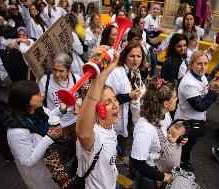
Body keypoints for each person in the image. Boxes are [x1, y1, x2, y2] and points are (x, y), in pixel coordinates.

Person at [4, 80, 68, 189]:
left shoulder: (37, 110)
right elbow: (27, 160)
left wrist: (61, 109)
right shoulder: (16, 132)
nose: (42, 95)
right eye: (37, 94)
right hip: (41, 177)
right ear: (26, 102)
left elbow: (50, 117)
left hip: (55, 163)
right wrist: (49, 137)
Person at [76, 45, 120, 189]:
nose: (115, 105)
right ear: (95, 109)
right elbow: (83, 134)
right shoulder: (95, 134)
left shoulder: (109, 126)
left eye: (115, 99)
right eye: (107, 102)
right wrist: (98, 79)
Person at [174, 51, 219, 170]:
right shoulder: (189, 83)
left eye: (205, 63)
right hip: (186, 122)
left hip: (197, 120)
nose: (203, 66)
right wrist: (214, 91)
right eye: (199, 63)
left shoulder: (201, 76)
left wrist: (211, 88)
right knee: (184, 147)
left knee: (191, 144)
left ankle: (184, 162)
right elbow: (200, 106)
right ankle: (179, 167)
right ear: (191, 65)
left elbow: (204, 95)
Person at [130, 77, 178, 188]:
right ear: (166, 103)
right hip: (148, 174)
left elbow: (163, 133)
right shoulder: (145, 129)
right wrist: (161, 177)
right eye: (175, 97)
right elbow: (138, 163)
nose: (177, 99)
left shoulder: (164, 115)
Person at [106, 43, 146, 164]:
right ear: (125, 57)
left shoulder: (136, 72)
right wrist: (129, 96)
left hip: (131, 114)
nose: (135, 60)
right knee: (115, 138)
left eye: (138, 56)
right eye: (131, 56)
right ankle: (112, 159)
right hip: (118, 114)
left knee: (124, 136)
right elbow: (107, 98)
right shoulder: (116, 73)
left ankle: (120, 156)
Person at [38, 53, 81, 128]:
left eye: (61, 71)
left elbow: (82, 96)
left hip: (74, 121)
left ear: (69, 70)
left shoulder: (76, 79)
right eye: (55, 70)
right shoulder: (45, 81)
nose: (57, 74)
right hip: (56, 125)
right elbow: (39, 103)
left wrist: (78, 103)